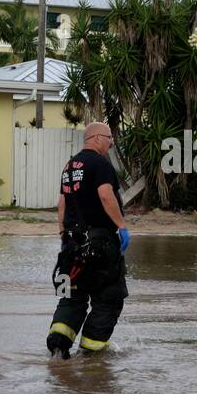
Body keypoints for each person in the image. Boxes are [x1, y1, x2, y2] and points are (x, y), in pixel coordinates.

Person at [47, 122, 130, 359]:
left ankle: (57, 347)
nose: (112, 142)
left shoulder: (69, 166)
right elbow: (105, 195)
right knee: (110, 298)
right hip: (100, 246)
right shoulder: (101, 164)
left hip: (71, 248)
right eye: (110, 137)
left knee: (69, 297)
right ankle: (92, 355)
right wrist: (122, 227)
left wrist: (63, 235)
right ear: (96, 138)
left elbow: (62, 204)